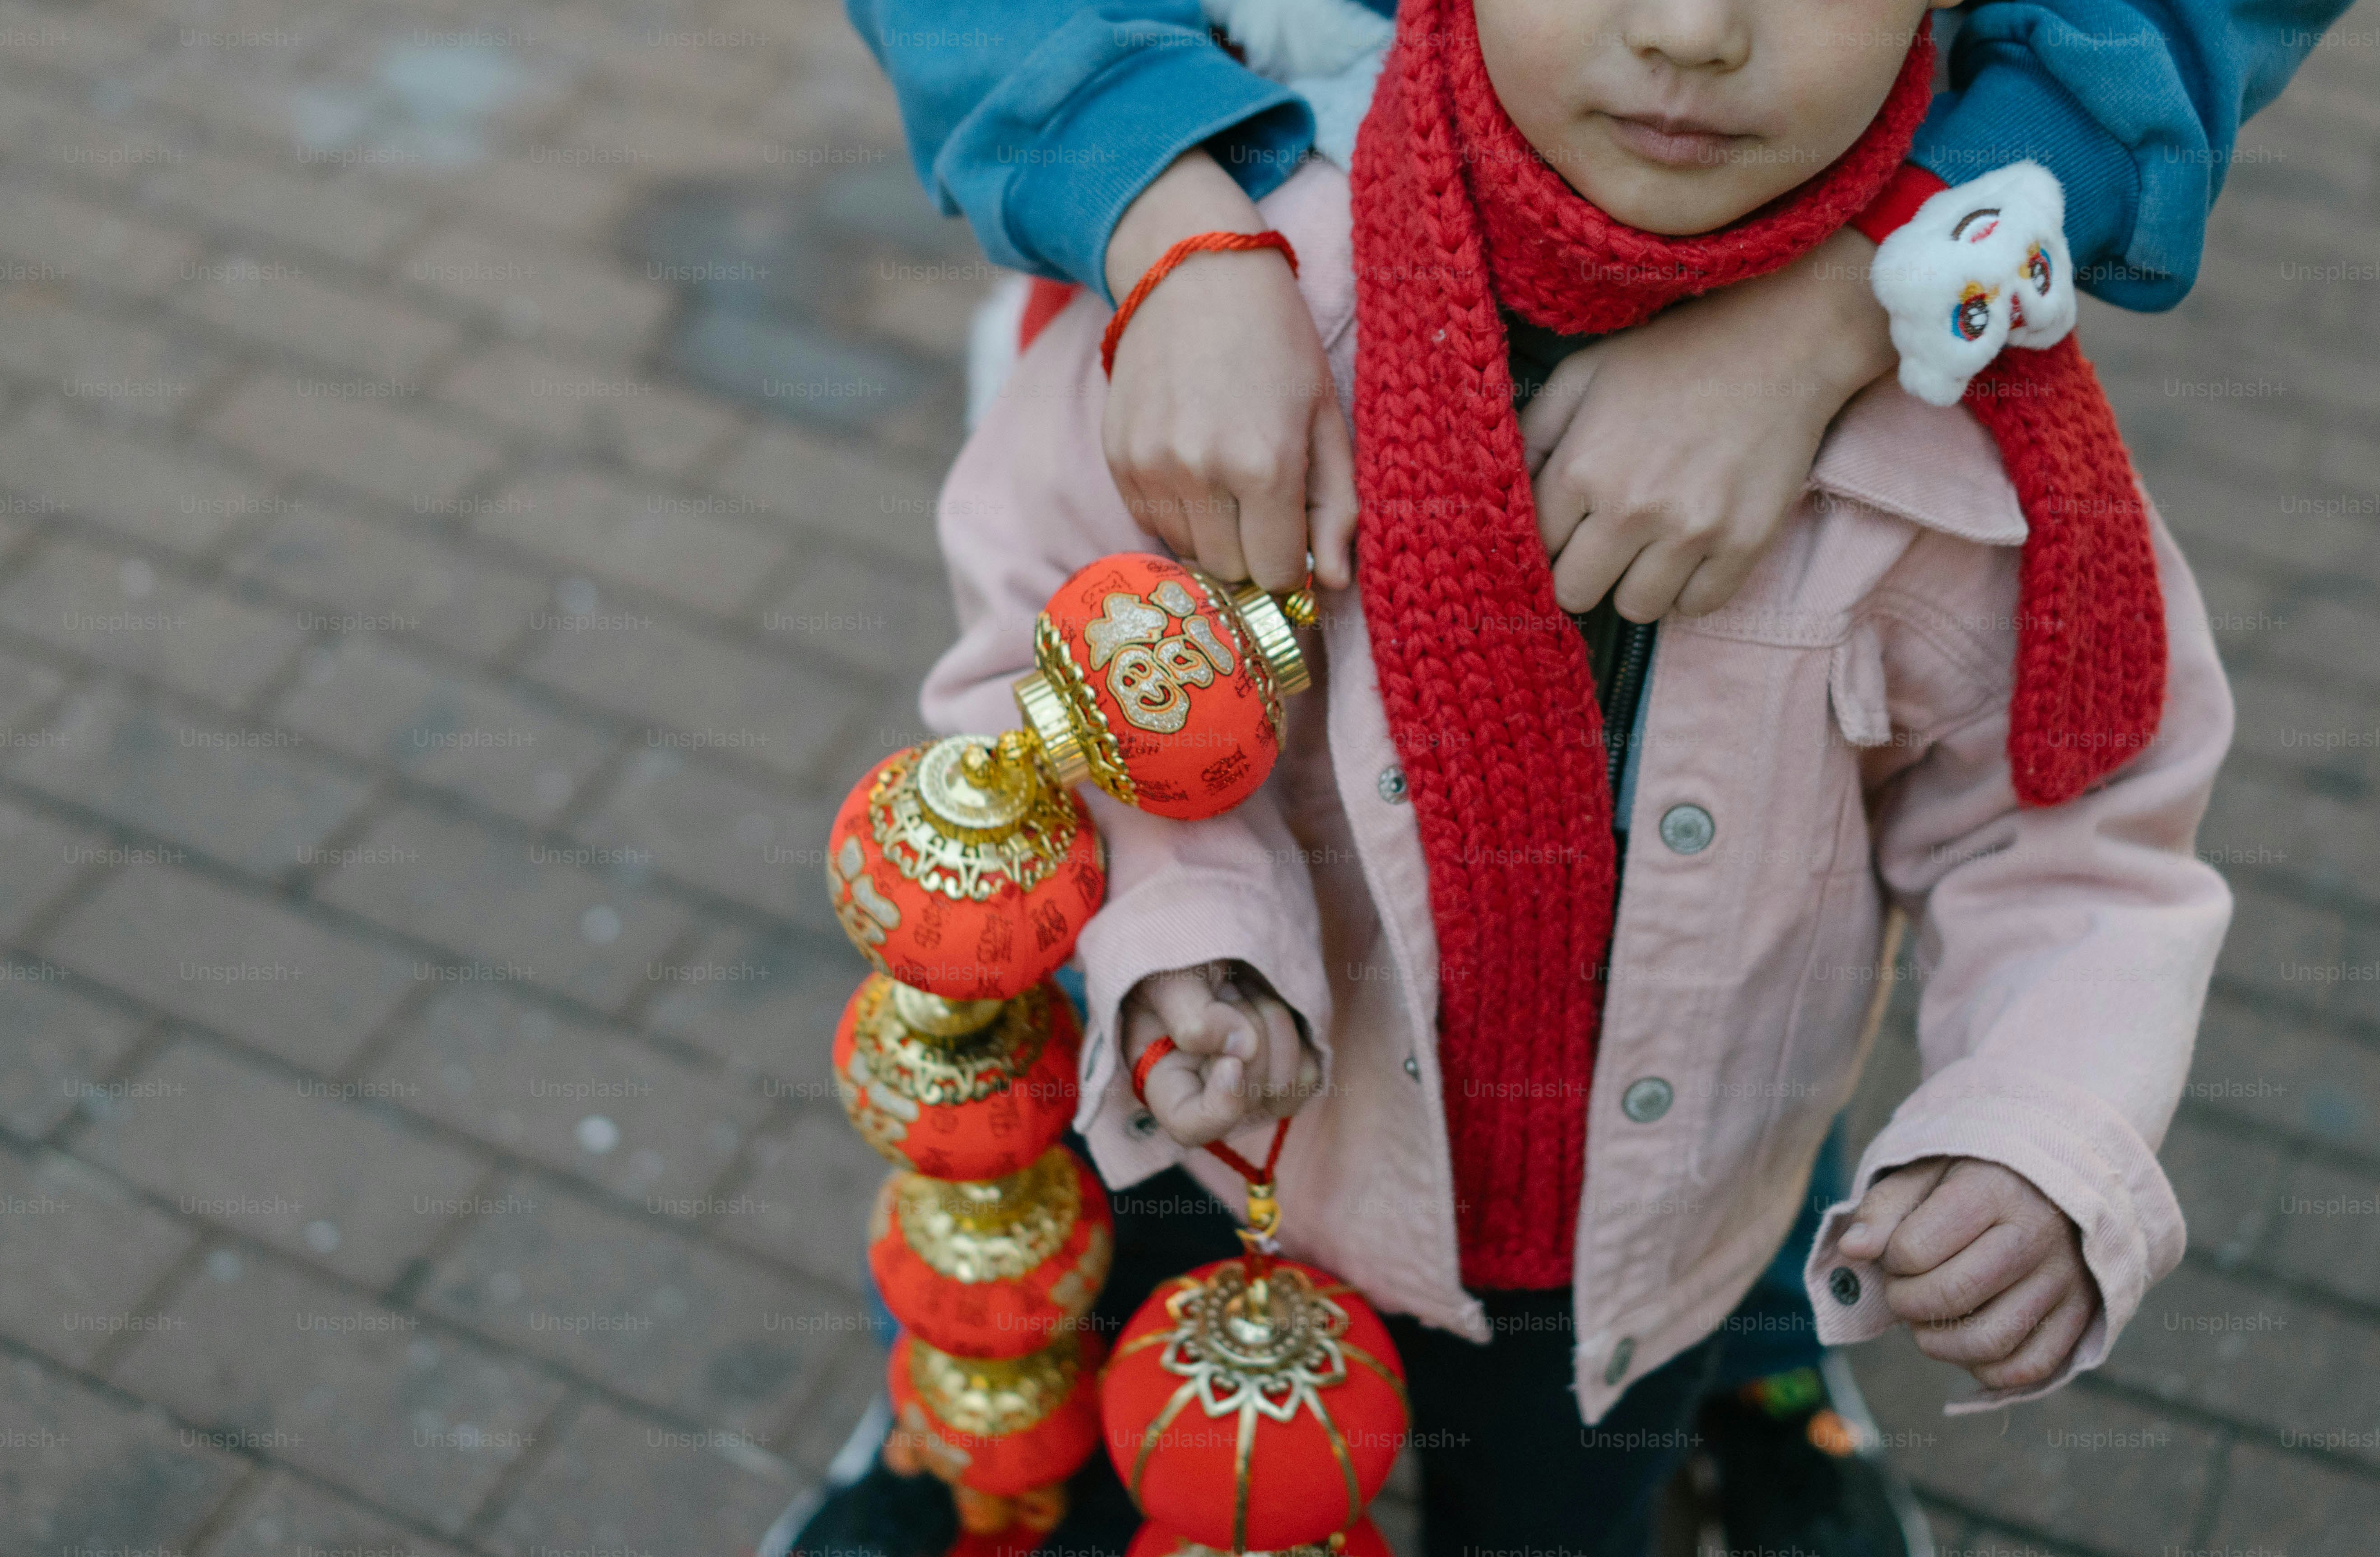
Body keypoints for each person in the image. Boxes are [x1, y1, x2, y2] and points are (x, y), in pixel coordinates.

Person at [886, 0, 2236, 1548]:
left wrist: (2037, 1128)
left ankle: (1759, 1398)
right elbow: (1056, 658)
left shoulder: (1973, 443)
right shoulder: (1266, 301)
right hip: (1238, 1153)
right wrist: (1195, 927)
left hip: (1631, 1278)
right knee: (1165, 1489)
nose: (1692, 30)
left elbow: (2075, 846)